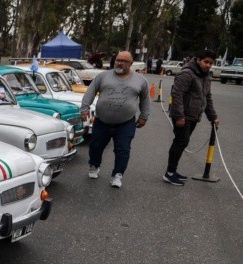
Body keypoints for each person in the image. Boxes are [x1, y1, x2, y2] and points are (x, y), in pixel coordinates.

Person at [80, 50, 150, 188]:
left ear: (131, 63)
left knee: (123, 150)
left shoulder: (140, 80)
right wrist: (84, 109)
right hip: (102, 121)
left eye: (123, 61)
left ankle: (117, 174)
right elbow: (90, 92)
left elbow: (145, 100)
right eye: (118, 60)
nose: (119, 63)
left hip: (125, 123)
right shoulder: (103, 76)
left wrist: (144, 116)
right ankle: (94, 165)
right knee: (95, 146)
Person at [163, 49, 220, 186]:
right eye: (206, 62)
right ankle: (169, 174)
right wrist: (179, 116)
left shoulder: (205, 76)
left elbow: (207, 98)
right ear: (198, 59)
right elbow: (177, 94)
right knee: (180, 142)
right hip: (183, 115)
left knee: (182, 142)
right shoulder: (187, 73)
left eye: (211, 63)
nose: (208, 65)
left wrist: (213, 116)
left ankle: (172, 171)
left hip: (193, 115)